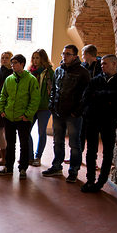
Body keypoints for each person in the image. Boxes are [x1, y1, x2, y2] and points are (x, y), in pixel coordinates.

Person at [80, 54, 117, 192]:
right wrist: (104, 97)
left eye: (105, 63)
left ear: (114, 64)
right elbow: (86, 96)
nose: (102, 66)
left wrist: (98, 95)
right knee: (91, 150)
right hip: (92, 119)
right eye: (101, 64)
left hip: (109, 120)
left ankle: (101, 182)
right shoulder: (97, 79)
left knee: (108, 151)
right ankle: (90, 180)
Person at [42, 44, 90, 183]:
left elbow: (86, 95)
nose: (64, 56)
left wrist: (77, 112)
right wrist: (51, 105)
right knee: (58, 142)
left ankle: (73, 171)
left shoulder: (82, 72)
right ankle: (56, 166)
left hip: (73, 114)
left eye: (68, 54)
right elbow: (54, 90)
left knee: (74, 144)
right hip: (58, 112)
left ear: (75, 56)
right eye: (63, 53)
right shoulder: (58, 70)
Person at [0, 54, 40, 179]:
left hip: (23, 119)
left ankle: (23, 169)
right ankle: (9, 167)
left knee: (24, 144)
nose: (12, 65)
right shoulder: (9, 79)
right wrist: (1, 110)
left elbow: (35, 99)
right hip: (9, 117)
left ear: (22, 64)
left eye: (15, 63)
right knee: (10, 144)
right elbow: (3, 95)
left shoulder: (31, 79)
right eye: (12, 63)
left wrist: (27, 115)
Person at [27, 49, 55, 167]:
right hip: (31, 106)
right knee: (26, 131)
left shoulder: (49, 72)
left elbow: (53, 89)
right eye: (33, 58)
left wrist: (50, 102)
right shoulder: (29, 72)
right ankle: (29, 156)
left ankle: (38, 157)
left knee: (41, 132)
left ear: (43, 59)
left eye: (37, 58)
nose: (35, 60)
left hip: (44, 107)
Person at [79, 44, 102, 153]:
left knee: (92, 135)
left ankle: (93, 158)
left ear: (88, 54)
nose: (82, 57)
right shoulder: (83, 66)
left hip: (95, 105)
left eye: (83, 54)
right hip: (84, 103)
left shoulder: (100, 67)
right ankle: (78, 156)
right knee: (81, 131)